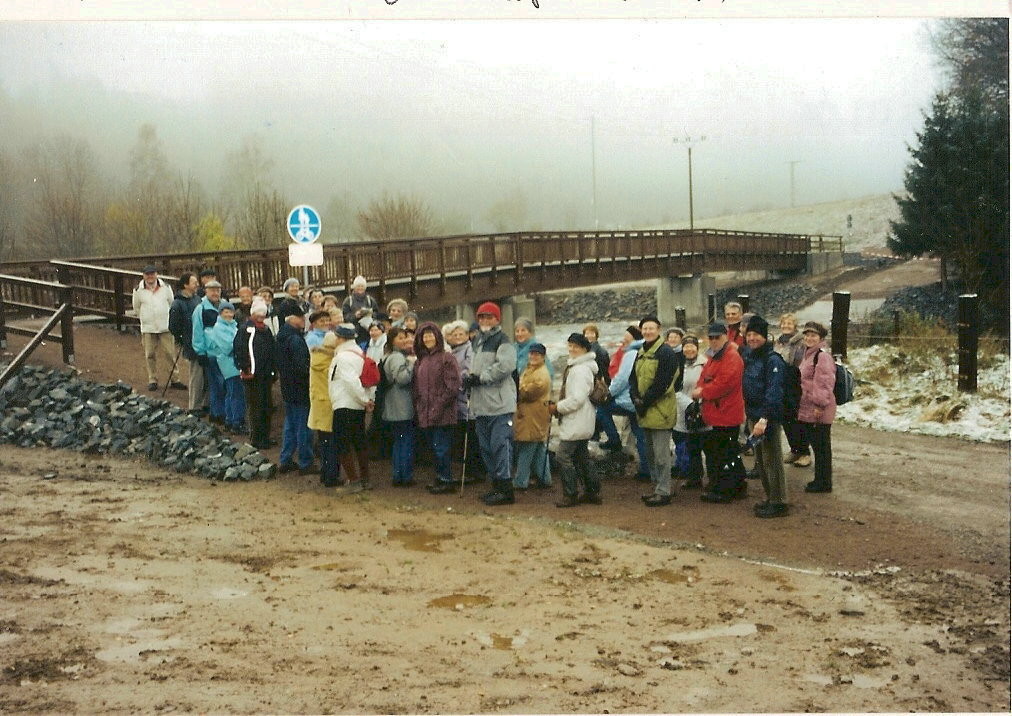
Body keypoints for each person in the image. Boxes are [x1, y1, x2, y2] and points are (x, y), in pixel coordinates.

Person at [462, 301, 517, 506]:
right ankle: (496, 485)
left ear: (497, 319)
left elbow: (506, 366)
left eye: (488, 317)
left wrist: (481, 378)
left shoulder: (503, 341)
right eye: (481, 317)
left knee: (500, 446)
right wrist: (470, 378)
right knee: (486, 447)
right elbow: (476, 367)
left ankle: (505, 488)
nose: (484, 320)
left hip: (499, 404)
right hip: (481, 404)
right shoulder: (477, 342)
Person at [692, 322, 747, 504]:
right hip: (717, 412)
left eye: (718, 337)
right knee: (727, 452)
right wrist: (702, 387)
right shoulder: (714, 355)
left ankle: (725, 490)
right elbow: (704, 376)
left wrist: (702, 391)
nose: (714, 340)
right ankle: (737, 484)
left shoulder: (731, 356)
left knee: (724, 453)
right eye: (711, 337)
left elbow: (724, 384)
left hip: (726, 413)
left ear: (726, 336)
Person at [630, 316, 682, 507]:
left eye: (651, 328)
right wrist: (634, 396)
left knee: (661, 455)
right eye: (645, 328)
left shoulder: (666, 353)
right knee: (650, 453)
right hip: (645, 409)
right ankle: (657, 487)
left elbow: (663, 383)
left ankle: (664, 491)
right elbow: (632, 378)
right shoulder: (642, 351)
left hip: (660, 410)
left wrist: (644, 402)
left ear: (659, 329)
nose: (648, 332)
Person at [742, 314, 789, 518]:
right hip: (753, 413)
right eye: (749, 334)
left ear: (765, 336)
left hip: (766, 416)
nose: (752, 338)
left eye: (756, 335)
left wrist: (764, 418)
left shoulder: (772, 360)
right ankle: (770, 497)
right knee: (761, 459)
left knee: (772, 458)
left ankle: (779, 501)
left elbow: (774, 391)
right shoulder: (751, 357)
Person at [549, 332, 601, 508]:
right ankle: (592, 492)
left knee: (563, 456)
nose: (571, 349)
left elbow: (577, 400)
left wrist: (557, 407)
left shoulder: (579, 370)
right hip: (585, 419)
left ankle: (570, 494)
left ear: (584, 349)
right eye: (570, 346)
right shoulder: (586, 367)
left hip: (577, 420)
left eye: (575, 347)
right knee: (582, 456)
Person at [414, 322, 462, 494]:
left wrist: (438, 406)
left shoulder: (446, 358)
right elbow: (417, 388)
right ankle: (440, 477)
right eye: (424, 336)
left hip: (443, 412)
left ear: (437, 337)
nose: (427, 338)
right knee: (434, 448)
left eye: (430, 335)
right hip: (425, 412)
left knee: (442, 447)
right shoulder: (421, 360)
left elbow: (453, 387)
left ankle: (446, 480)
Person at [597, 325, 650, 481]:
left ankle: (614, 441)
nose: (623, 341)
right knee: (640, 434)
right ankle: (646, 469)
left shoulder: (631, 353)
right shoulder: (644, 351)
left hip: (628, 399)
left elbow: (622, 378)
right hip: (639, 400)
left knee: (601, 409)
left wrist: (609, 394)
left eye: (626, 339)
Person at [328, 323, 375, 494]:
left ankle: (354, 480)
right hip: (355, 405)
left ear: (340, 338)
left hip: (344, 403)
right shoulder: (359, 354)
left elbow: (351, 381)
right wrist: (365, 400)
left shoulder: (342, 357)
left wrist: (363, 399)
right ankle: (364, 478)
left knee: (342, 443)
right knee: (359, 441)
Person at [797, 321, 837, 494]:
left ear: (821, 337)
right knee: (818, 445)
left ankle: (823, 482)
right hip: (811, 407)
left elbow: (824, 382)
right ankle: (820, 480)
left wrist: (819, 405)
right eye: (807, 334)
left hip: (819, 408)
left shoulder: (822, 356)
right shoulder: (808, 354)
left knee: (821, 446)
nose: (809, 338)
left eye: (813, 335)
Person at [234, 300, 277, 450]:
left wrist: (273, 370)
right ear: (252, 313)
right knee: (255, 407)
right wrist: (245, 368)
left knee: (266, 406)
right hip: (252, 374)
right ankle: (256, 438)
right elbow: (239, 349)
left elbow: (272, 350)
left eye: (263, 312)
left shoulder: (266, 329)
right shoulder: (246, 329)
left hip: (265, 374)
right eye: (258, 312)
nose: (261, 315)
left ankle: (265, 436)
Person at [275, 313, 315, 475]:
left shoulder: (281, 337)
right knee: (304, 426)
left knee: (290, 425)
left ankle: (285, 459)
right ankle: (305, 462)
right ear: (293, 318)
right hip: (300, 389)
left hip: (287, 388)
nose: (303, 321)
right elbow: (302, 367)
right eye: (301, 318)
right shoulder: (296, 340)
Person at [443, 319, 481, 478]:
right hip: (455, 398)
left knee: (470, 434)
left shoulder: (469, 349)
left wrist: (457, 383)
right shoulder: (452, 350)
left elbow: (468, 370)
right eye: (455, 334)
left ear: (467, 335)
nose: (458, 336)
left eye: (461, 334)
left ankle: (474, 471)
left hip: (465, 396)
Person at [132, 265, 178, 392]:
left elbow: (171, 303)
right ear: (143, 276)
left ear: (157, 274)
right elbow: (136, 307)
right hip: (148, 327)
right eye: (147, 274)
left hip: (165, 326)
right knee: (149, 354)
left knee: (170, 353)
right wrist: (145, 318)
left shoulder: (166, 287)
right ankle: (152, 379)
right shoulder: (138, 290)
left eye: (152, 274)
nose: (150, 277)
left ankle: (175, 379)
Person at [514, 342, 552, 491]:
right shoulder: (530, 369)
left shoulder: (541, 374)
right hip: (533, 415)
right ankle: (545, 478)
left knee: (527, 447)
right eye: (532, 353)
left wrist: (517, 390)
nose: (534, 356)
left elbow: (528, 392)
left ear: (543, 357)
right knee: (538, 448)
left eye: (537, 354)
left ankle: (520, 481)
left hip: (533, 415)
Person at [674, 335, 709, 490]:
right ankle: (694, 478)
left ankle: (713, 478)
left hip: (703, 409)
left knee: (708, 446)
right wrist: (687, 404)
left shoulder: (705, 364)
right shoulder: (678, 365)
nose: (689, 349)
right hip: (684, 410)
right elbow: (675, 388)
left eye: (692, 346)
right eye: (686, 346)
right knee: (691, 447)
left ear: (697, 347)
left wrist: (699, 404)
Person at [382, 326, 416, 487]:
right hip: (401, 405)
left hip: (393, 405)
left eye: (405, 337)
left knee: (399, 441)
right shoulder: (397, 357)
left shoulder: (390, 356)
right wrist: (411, 364)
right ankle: (405, 476)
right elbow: (402, 379)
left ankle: (399, 475)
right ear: (392, 340)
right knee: (405, 441)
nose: (404, 340)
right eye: (400, 338)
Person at [775, 312, 811, 467]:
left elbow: (801, 364)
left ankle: (805, 452)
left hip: (795, 382)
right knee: (785, 418)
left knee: (796, 419)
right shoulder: (778, 341)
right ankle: (794, 449)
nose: (786, 326)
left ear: (795, 326)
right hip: (780, 381)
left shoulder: (800, 342)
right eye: (784, 323)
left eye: (789, 324)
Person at [207, 301, 246, 434]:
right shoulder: (219, 328)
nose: (229, 314)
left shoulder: (232, 326)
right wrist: (241, 348)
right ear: (221, 313)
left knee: (231, 392)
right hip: (230, 363)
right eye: (226, 311)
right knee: (236, 393)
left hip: (233, 362)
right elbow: (228, 347)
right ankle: (237, 422)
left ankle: (230, 420)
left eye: (231, 311)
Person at [168, 272, 205, 415]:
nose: (197, 284)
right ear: (185, 285)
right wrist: (182, 338)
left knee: (203, 374)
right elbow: (173, 326)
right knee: (196, 374)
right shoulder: (177, 303)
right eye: (194, 282)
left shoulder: (198, 299)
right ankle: (194, 406)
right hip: (190, 341)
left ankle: (204, 403)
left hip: (201, 340)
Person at [191, 280, 226, 425]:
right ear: (205, 291)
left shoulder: (224, 306)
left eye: (217, 290)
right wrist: (200, 352)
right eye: (212, 290)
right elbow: (197, 331)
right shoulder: (200, 309)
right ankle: (216, 413)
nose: (215, 293)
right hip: (211, 353)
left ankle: (223, 412)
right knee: (215, 384)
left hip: (224, 352)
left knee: (224, 384)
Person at [309, 332, 341, 487]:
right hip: (329, 405)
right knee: (332, 443)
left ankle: (324, 473)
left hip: (319, 405)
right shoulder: (330, 362)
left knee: (324, 442)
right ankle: (331, 476)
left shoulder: (316, 358)